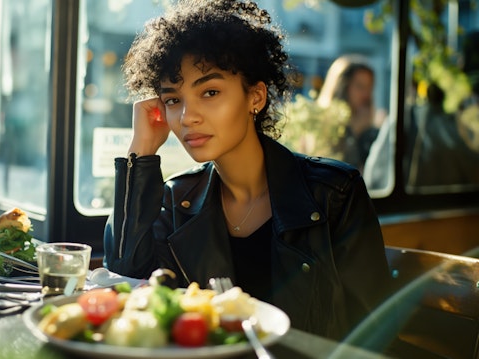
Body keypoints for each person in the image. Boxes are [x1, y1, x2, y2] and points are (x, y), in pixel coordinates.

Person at [103, 0, 391, 343]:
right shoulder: (178, 200)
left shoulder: (335, 194)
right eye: (173, 100)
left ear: (255, 96)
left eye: (210, 92)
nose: (186, 117)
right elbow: (126, 281)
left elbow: (374, 332)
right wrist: (141, 152)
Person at [316, 54, 385, 171]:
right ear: (342, 87)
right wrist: (354, 132)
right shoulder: (321, 126)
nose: (366, 94)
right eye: (360, 86)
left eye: (369, 88)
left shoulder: (372, 131)